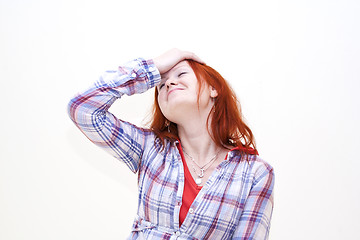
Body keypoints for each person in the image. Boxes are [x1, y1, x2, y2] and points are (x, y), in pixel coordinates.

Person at [68, 49, 275, 239]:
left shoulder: (256, 173)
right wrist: (153, 67)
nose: (168, 83)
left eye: (181, 74)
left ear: (214, 89)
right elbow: (83, 108)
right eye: (160, 83)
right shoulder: (149, 148)